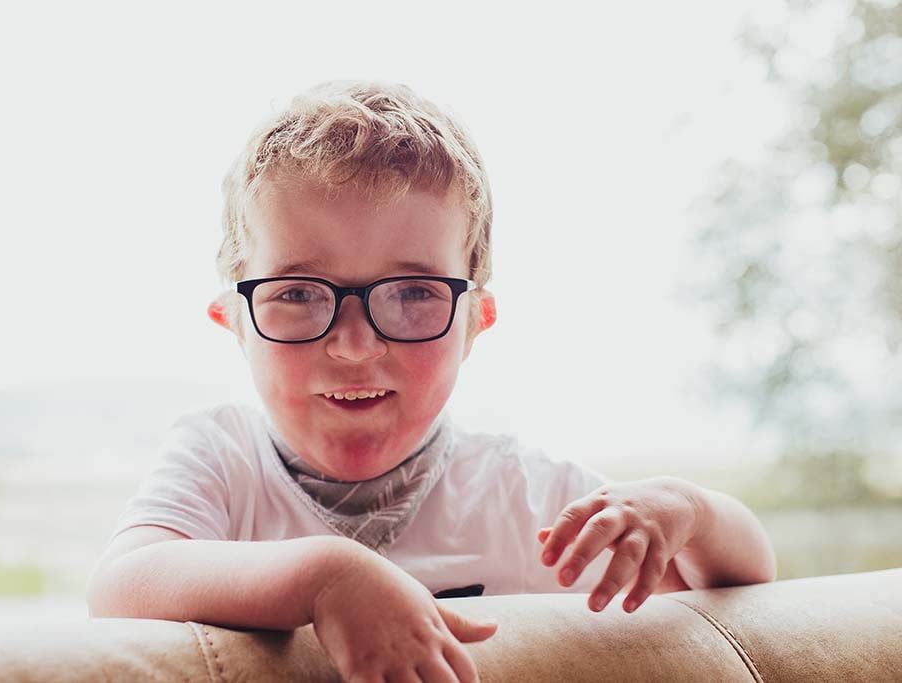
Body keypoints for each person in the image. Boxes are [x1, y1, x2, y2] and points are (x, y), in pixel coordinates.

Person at [86, 80, 777, 682]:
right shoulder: (222, 457)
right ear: (233, 320)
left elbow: (737, 580)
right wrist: (326, 576)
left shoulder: (522, 495)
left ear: (476, 320)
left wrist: (691, 509)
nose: (354, 346)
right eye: (297, 293)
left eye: (413, 293)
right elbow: (125, 581)